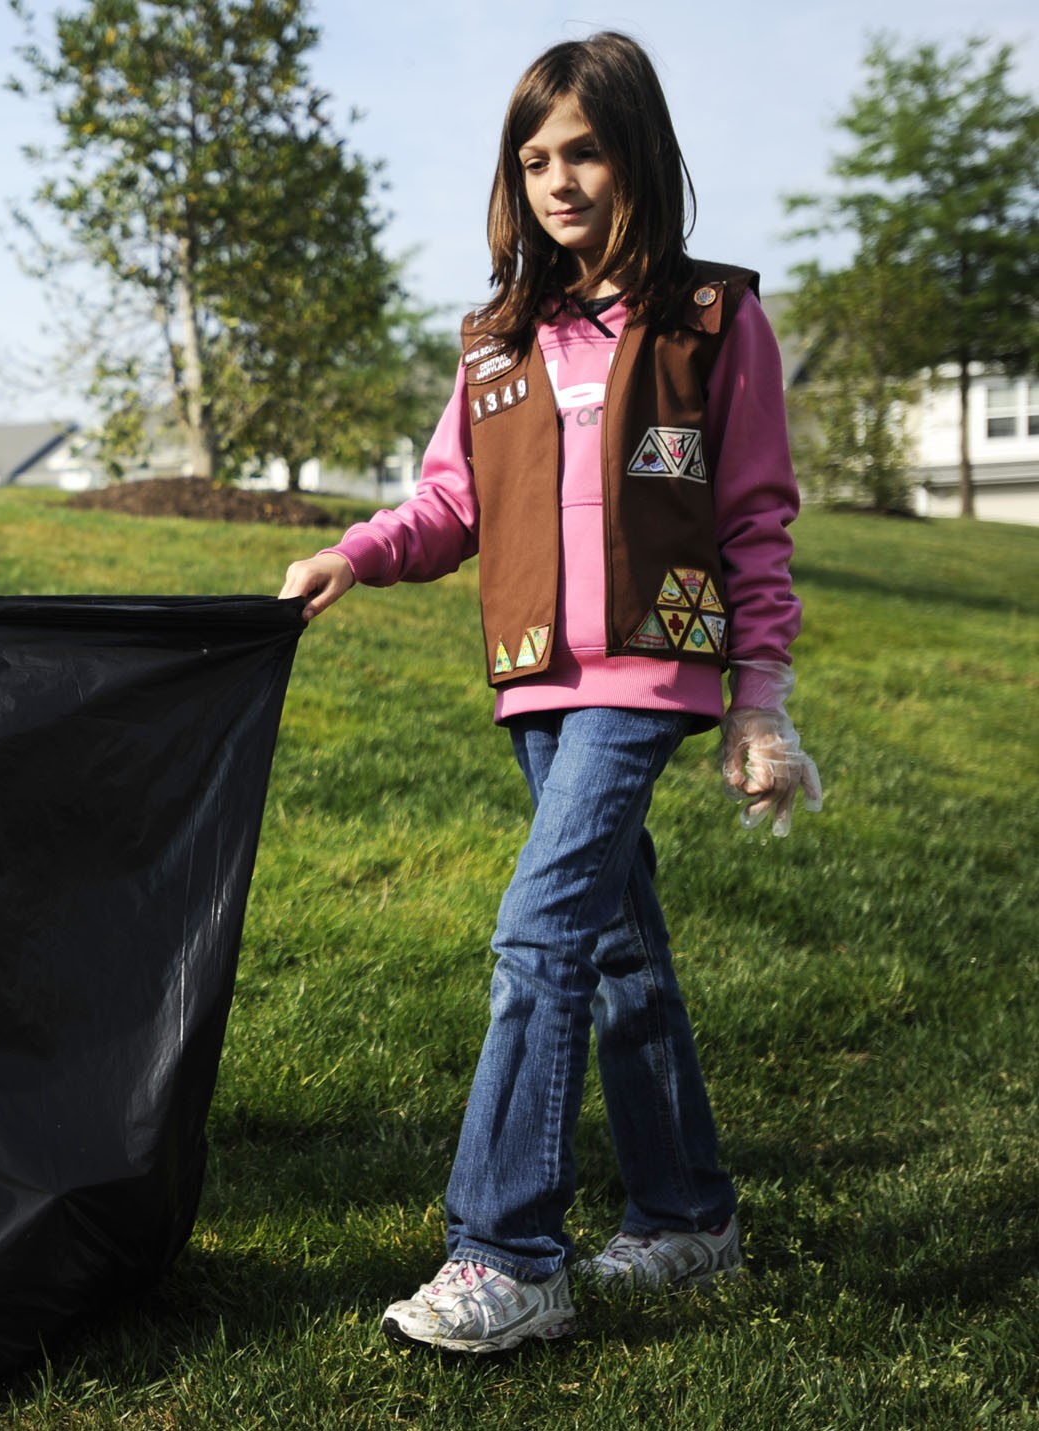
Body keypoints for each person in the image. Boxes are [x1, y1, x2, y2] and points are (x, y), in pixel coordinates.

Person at [278, 33, 822, 1354]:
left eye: (581, 150)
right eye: (533, 159)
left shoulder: (712, 320)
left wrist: (761, 697)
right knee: (620, 951)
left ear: (635, 151)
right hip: (538, 681)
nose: (558, 180)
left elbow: (754, 517)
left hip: (650, 671)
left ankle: (507, 1249)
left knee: (538, 935)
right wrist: (352, 552)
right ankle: (687, 1214)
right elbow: (450, 502)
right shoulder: (501, 339)